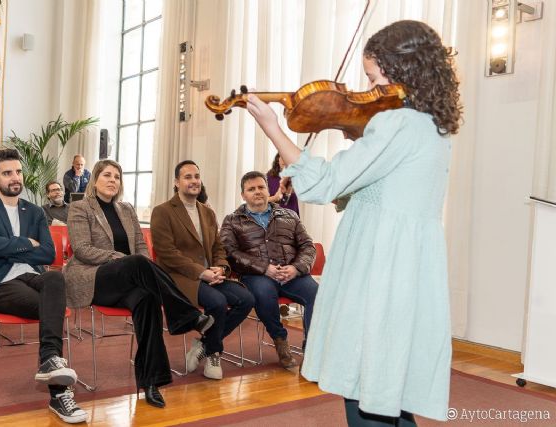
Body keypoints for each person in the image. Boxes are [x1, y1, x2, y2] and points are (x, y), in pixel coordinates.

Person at [245, 20, 462, 425]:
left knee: (364, 388)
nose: (370, 89)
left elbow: (325, 185)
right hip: (408, 268)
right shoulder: (434, 127)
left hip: (377, 264)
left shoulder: (395, 123)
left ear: (399, 68)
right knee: (387, 390)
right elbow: (367, 190)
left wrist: (273, 128)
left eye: (372, 76)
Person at [64, 159, 213, 408]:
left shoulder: (126, 209)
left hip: (131, 280)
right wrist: (123, 259)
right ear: (95, 180)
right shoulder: (80, 208)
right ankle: (186, 315)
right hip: (95, 278)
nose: (113, 180)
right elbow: (82, 250)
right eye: (107, 175)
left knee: (148, 300)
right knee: (137, 264)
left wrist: (137, 262)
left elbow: (142, 246)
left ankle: (151, 383)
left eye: (117, 177)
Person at [0, 149, 88, 424]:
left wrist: (9, 248)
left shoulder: (33, 211)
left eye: (18, 171)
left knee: (56, 278)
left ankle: (49, 361)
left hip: (32, 276)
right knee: (52, 308)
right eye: (7, 173)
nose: (15, 177)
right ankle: (59, 394)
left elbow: (47, 254)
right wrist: (25, 244)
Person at [151, 161, 254, 380]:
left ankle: (204, 344)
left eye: (197, 176)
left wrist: (220, 268)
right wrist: (201, 272)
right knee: (216, 302)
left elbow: (218, 247)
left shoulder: (207, 212)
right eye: (187, 177)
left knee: (246, 299)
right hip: (181, 277)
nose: (194, 181)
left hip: (211, 275)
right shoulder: (163, 212)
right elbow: (167, 253)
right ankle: (214, 353)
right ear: (176, 182)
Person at [220, 171, 318, 369]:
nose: (257, 192)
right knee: (263, 293)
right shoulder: (232, 220)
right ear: (243, 195)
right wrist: (264, 268)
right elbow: (230, 252)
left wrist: (296, 268)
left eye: (261, 187)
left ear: (268, 190)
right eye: (251, 189)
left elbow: (308, 246)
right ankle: (280, 341)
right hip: (257, 276)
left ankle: (313, 347)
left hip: (291, 274)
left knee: (317, 294)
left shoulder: (290, 215)